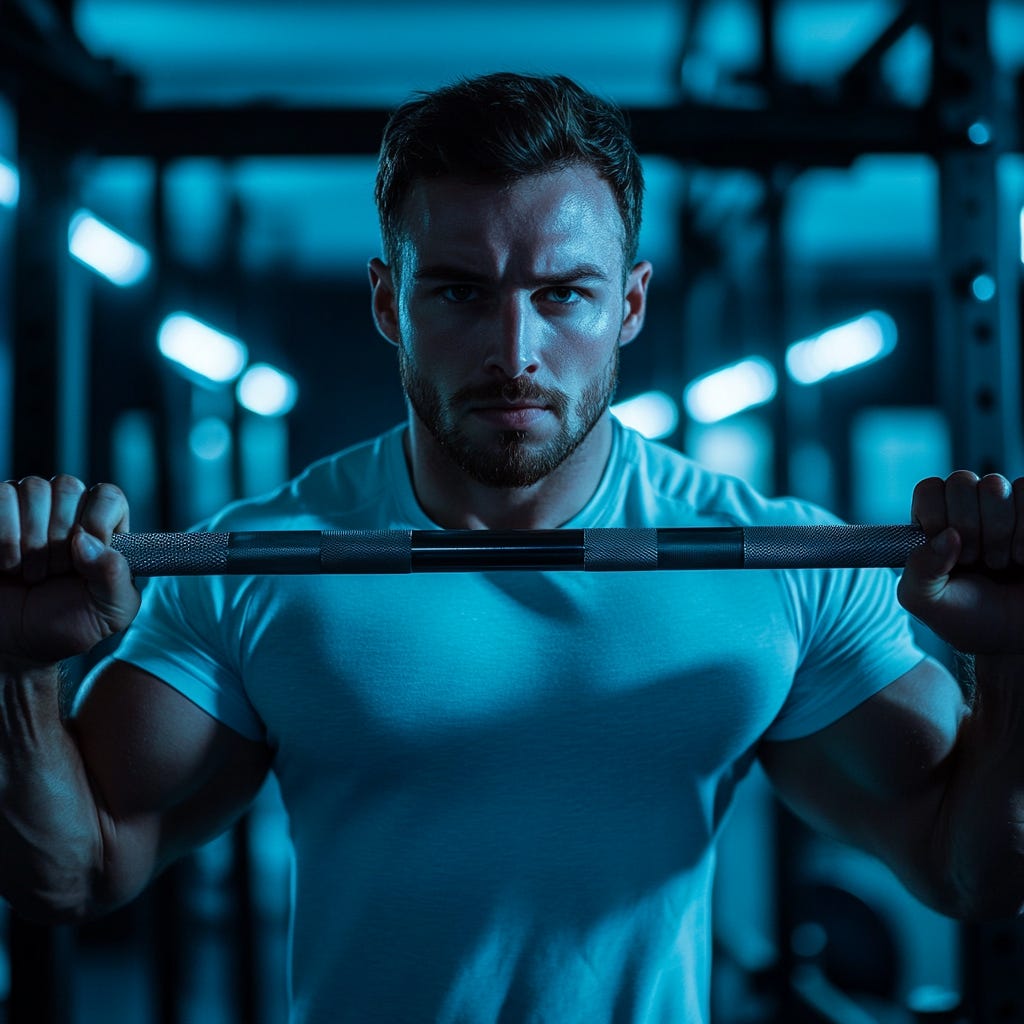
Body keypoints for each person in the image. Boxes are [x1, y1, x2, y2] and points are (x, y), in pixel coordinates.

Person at [1, 71, 1022, 1024]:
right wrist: (17, 672)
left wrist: (1015, 662)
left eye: (562, 293)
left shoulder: (786, 571)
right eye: (458, 291)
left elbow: (971, 871)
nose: (513, 351)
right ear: (385, 301)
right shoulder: (255, 564)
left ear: (628, 304)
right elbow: (74, 872)